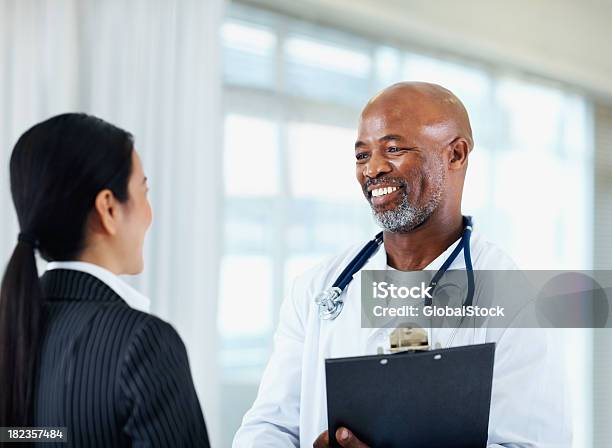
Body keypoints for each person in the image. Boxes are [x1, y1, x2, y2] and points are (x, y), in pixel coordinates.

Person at [233, 82, 572, 447]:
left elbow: (531, 443)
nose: (374, 169)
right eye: (362, 155)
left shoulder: (514, 299)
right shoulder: (317, 288)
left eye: (393, 149)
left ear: (456, 154)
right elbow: (268, 427)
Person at [0, 113, 210, 447]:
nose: (149, 213)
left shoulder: (13, 325)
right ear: (109, 208)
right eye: (144, 190)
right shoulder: (143, 344)